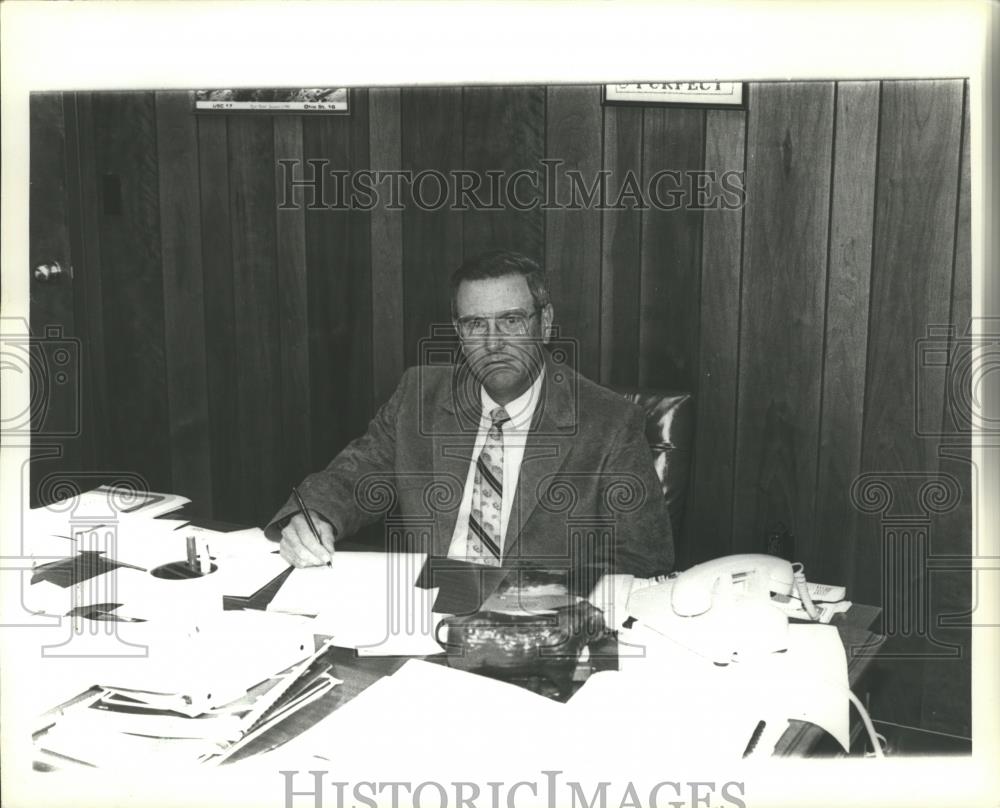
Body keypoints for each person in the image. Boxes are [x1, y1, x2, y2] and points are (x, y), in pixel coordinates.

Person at [266, 250, 673, 579]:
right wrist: (314, 515)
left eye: (511, 321)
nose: (494, 343)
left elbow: (642, 558)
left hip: (537, 626)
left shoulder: (609, 421)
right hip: (424, 614)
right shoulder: (420, 395)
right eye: (476, 324)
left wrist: (535, 602)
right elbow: (357, 475)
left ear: (544, 324)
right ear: (459, 333)